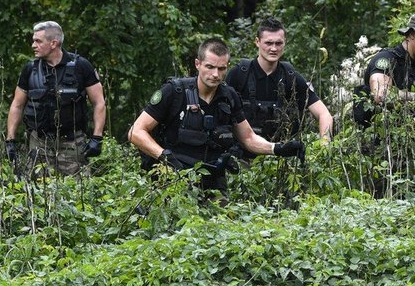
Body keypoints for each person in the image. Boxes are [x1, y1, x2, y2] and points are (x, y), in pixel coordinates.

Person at [128, 37, 305, 194]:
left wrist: (278, 148)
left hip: (213, 180)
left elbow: (248, 138)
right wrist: (165, 156)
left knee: (225, 224)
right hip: (173, 179)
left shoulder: (229, 96)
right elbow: (135, 132)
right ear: (197, 64)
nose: (215, 74)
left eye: (221, 69)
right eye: (210, 67)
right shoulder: (175, 92)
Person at [5, 21, 107, 177]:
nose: (33, 45)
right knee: (37, 193)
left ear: (54, 43)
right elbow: (17, 105)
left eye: (38, 41)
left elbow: (99, 102)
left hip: (72, 143)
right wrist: (10, 140)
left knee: (77, 193)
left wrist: (97, 137)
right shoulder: (30, 69)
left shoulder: (81, 66)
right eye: (34, 40)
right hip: (39, 143)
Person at [225, 18, 333, 155]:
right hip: (242, 159)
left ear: (285, 43)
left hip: (282, 159)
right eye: (268, 43)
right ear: (257, 42)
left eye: (278, 43)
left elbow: (324, 114)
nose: (274, 48)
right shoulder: (239, 74)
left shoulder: (291, 76)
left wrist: (324, 146)